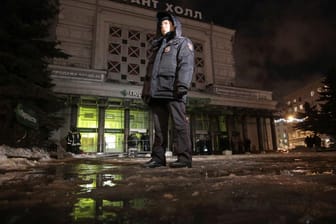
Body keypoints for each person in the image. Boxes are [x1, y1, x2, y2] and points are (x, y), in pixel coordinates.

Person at [141, 11, 194, 168]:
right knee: (159, 129)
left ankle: (184, 158)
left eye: (166, 23)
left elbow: (186, 64)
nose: (162, 26)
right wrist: (147, 91)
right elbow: (150, 73)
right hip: (157, 93)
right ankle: (158, 158)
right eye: (161, 24)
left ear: (174, 25)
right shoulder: (157, 47)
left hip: (174, 92)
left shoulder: (182, 42)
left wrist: (182, 85)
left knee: (180, 125)